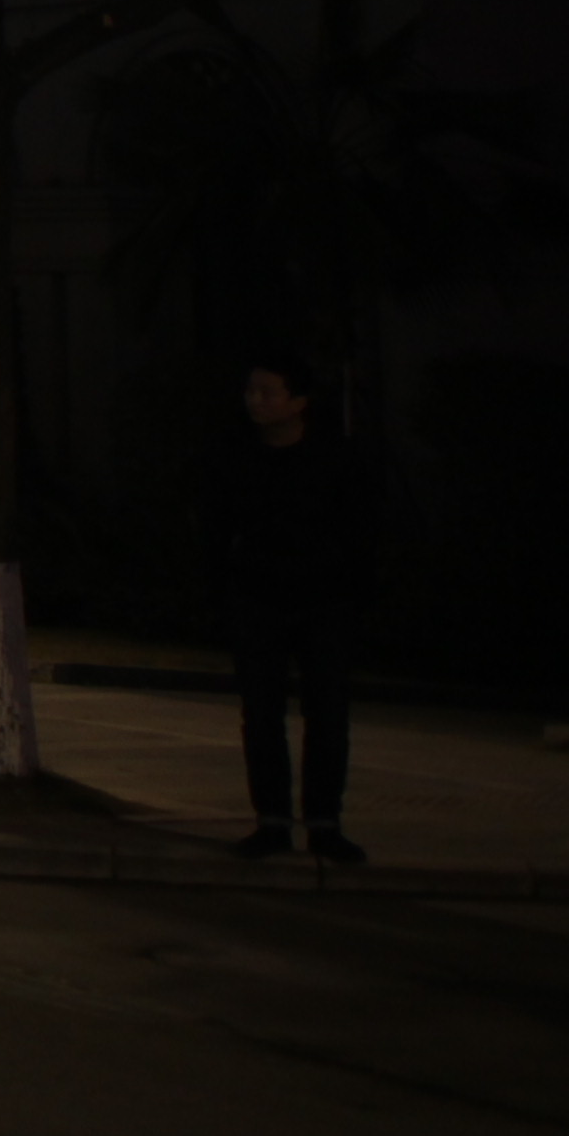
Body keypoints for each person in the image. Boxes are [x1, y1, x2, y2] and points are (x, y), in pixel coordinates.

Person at [214, 358, 374, 863]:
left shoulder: (335, 457)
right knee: (262, 716)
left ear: (299, 402)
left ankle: (324, 823)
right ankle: (272, 822)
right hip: (257, 600)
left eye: (268, 392)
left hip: (324, 601)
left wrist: (348, 587)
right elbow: (216, 524)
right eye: (251, 391)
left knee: (326, 715)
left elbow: (360, 529)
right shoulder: (237, 455)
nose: (255, 401)